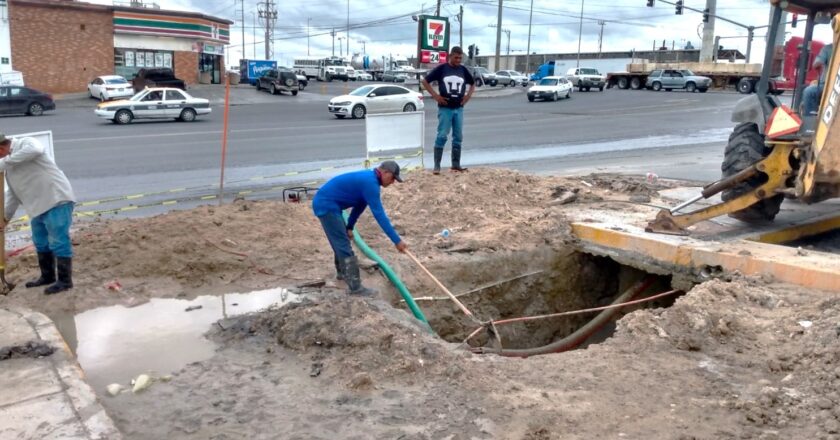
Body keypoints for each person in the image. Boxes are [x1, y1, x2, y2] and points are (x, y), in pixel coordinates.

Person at [312, 161, 408, 296]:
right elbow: (380, 215)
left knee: (341, 239)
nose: (393, 182)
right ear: (385, 172)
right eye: (393, 178)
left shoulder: (370, 179)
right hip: (326, 205)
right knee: (342, 244)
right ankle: (355, 288)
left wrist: (350, 226)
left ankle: (342, 273)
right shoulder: (371, 184)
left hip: (328, 203)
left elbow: (359, 206)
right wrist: (396, 240)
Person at [0, 133, 76, 294]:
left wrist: (4, 162)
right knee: (40, 242)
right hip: (37, 207)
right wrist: (5, 218)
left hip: (56, 199)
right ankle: (47, 276)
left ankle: (65, 281)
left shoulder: (25, 144)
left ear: (1, 148)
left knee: (58, 240)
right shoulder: (9, 168)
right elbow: (13, 194)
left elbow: (36, 149)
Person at [421, 46, 475, 175]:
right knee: (442, 135)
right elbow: (425, 81)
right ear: (450, 56)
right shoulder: (442, 69)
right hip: (445, 108)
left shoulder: (463, 70)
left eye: (460, 58)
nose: (458, 60)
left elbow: (473, 83)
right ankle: (437, 166)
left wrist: (467, 96)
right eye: (456, 57)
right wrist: (435, 96)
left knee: (458, 137)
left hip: (459, 109)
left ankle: (455, 164)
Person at [802, 42, 833, 115]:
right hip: (827, 84)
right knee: (808, 90)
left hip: (831, 85)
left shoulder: (828, 48)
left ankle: (810, 118)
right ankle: (811, 116)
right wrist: (818, 62)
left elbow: (817, 63)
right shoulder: (828, 48)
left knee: (808, 91)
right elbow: (817, 63)